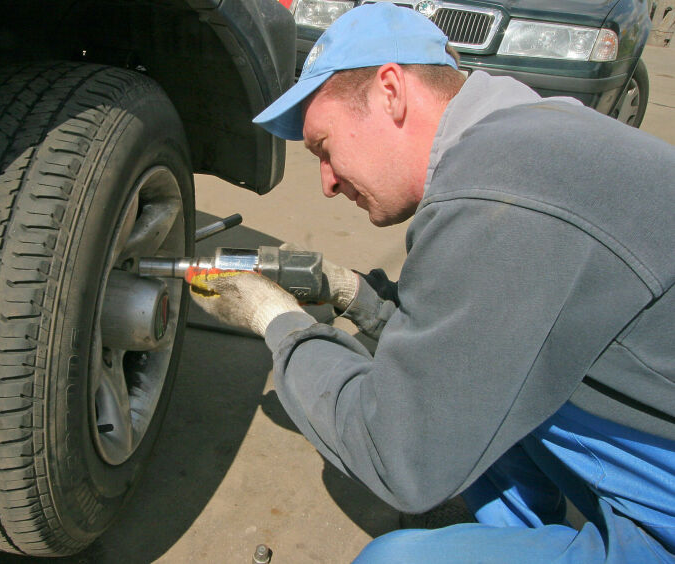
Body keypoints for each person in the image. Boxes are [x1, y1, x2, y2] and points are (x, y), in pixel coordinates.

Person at [187, 3, 675, 562]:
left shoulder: (497, 197)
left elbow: (397, 455)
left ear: (391, 90)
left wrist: (277, 324)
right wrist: (356, 297)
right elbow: (469, 340)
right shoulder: (526, 139)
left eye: (324, 147)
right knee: (476, 390)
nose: (325, 183)